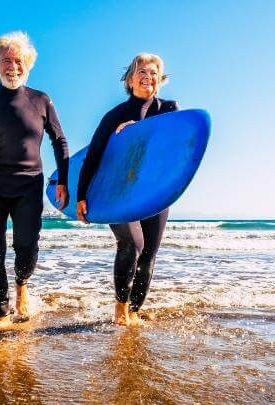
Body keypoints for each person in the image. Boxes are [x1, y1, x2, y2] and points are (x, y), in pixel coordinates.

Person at [77, 53, 178, 326]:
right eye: (141, 71)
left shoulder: (169, 109)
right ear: (130, 79)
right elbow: (95, 156)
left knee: (149, 255)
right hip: (120, 191)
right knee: (132, 244)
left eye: (154, 72)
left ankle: (134, 312)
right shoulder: (115, 116)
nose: (148, 76)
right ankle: (120, 311)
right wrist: (82, 196)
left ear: (161, 79)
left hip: (154, 191)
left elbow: (174, 150)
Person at [0, 32, 69, 331]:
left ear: (27, 64)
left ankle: (22, 283)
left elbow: (59, 141)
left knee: (27, 246)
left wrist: (63, 181)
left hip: (29, 185)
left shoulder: (40, 100)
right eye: (6, 61)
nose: (12, 67)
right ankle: (3, 314)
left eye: (18, 61)